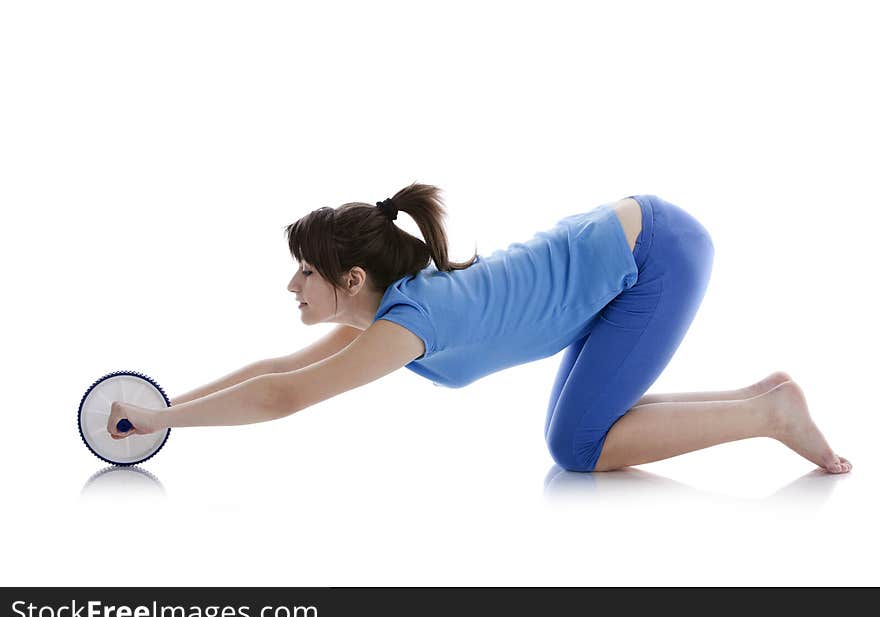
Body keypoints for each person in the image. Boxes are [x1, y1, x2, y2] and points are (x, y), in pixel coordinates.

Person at [107, 182, 851, 474]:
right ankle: (767, 395)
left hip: (654, 255)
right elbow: (276, 370)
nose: (292, 287)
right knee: (577, 435)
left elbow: (283, 399)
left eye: (306, 273)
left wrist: (160, 419)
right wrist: (158, 407)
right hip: (621, 245)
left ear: (351, 283)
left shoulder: (409, 324)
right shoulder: (393, 308)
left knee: (578, 444)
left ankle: (768, 413)